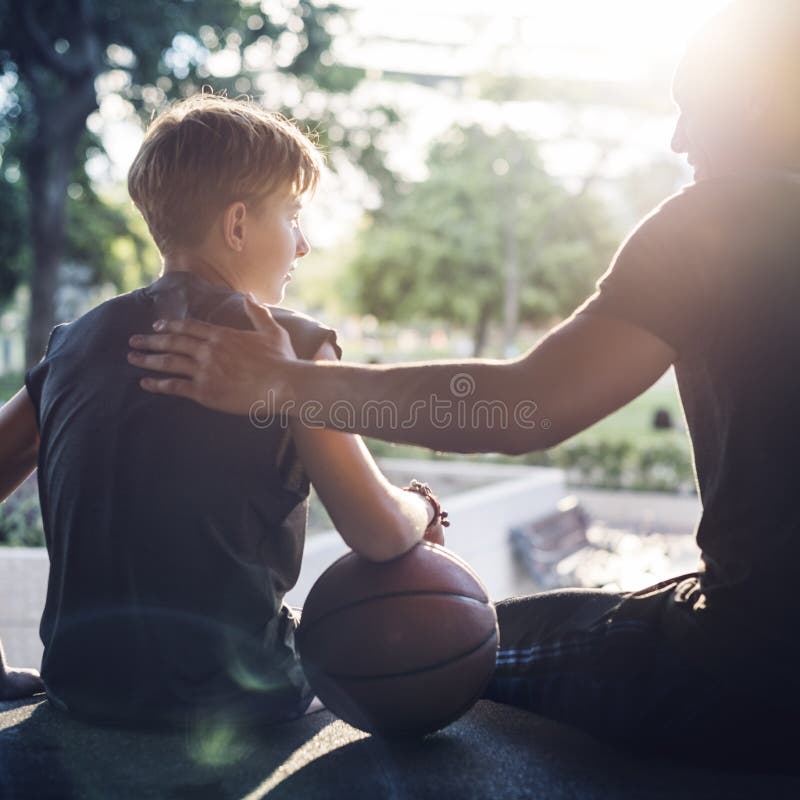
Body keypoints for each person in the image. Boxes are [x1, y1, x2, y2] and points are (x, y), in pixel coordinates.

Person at [127, 1, 800, 769]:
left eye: (691, 109)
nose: (679, 140)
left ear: (748, 97)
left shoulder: (723, 217)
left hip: (758, 668)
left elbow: (524, 408)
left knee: (440, 640)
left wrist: (288, 383)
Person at [0, 95, 447, 728]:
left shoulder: (73, 345)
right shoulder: (288, 349)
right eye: (293, 216)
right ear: (237, 226)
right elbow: (378, 532)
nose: (305, 245)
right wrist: (423, 505)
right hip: (238, 700)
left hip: (81, 690)